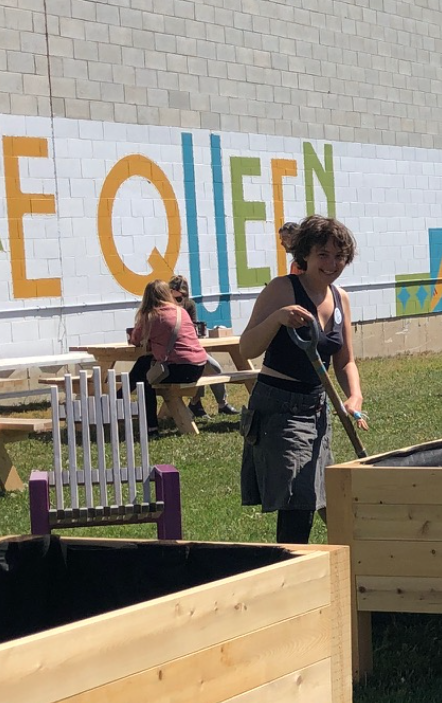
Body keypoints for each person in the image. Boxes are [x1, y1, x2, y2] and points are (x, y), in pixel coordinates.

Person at [237, 215, 366, 544]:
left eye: (339, 256)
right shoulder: (282, 289)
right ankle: (291, 571)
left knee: (328, 497)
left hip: (317, 408)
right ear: (305, 255)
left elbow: (345, 360)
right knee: (300, 501)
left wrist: (355, 396)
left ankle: (347, 565)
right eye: (323, 254)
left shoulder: (341, 298)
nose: (331, 263)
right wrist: (277, 319)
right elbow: (247, 346)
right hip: (278, 408)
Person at [126, 280, 212, 430]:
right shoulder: (181, 311)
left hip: (180, 368)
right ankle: (119, 398)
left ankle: (146, 422)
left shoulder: (151, 316)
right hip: (198, 367)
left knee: (145, 380)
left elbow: (135, 339)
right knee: (144, 365)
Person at [168, 274, 236, 416]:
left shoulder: (189, 304)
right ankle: (196, 403)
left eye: (181, 298)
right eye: (174, 297)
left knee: (213, 367)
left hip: (190, 347)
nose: (178, 301)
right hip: (175, 351)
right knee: (200, 366)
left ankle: (219, 404)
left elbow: (192, 326)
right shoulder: (166, 309)